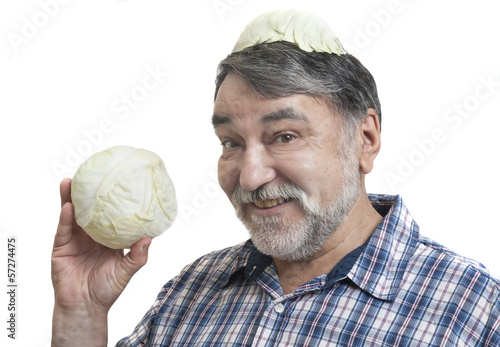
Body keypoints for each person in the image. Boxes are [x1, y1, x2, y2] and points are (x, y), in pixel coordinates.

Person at [51, 9, 500, 346]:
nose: (249, 176)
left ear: (365, 139)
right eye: (231, 142)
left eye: (284, 136)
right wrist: (83, 312)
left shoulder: (474, 310)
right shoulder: (190, 291)